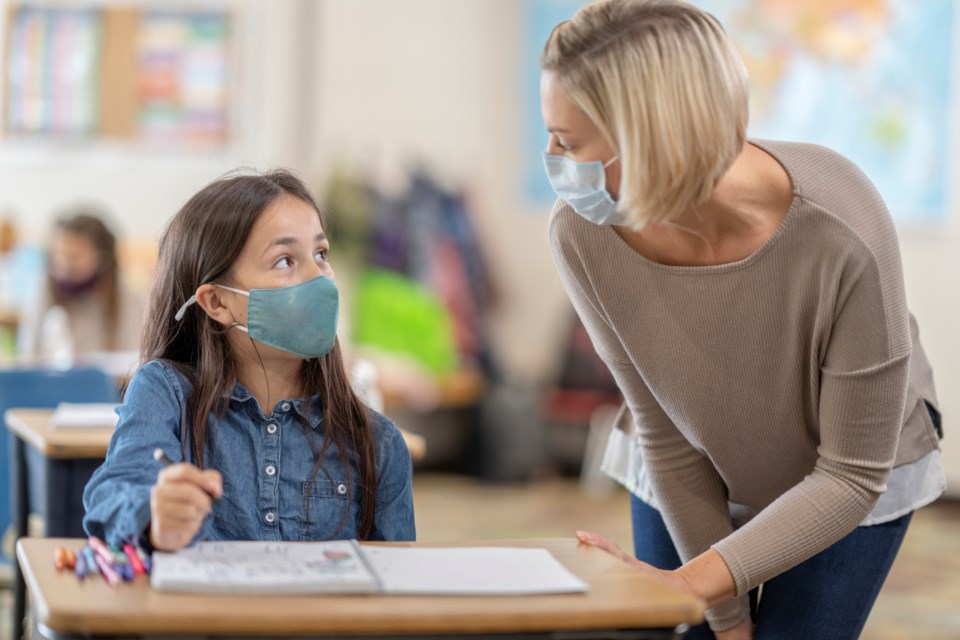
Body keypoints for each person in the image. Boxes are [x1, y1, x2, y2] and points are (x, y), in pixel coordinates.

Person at [539, 1, 944, 639]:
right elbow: (666, 438)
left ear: (652, 137)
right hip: (685, 454)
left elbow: (849, 473)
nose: (554, 158)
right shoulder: (582, 233)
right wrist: (724, 619)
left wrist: (691, 586)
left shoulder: (843, 227)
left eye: (568, 141)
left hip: (846, 475)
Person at [83, 170, 416, 551]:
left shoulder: (377, 442)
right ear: (218, 302)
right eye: (285, 261)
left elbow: (396, 591)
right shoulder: (166, 393)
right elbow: (112, 495)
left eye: (321, 254)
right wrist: (152, 515)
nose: (319, 279)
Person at [17, 210, 143, 363]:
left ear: (102, 259)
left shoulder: (126, 300)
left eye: (74, 257)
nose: (63, 266)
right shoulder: (43, 289)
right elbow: (28, 355)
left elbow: (131, 359)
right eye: (58, 255)